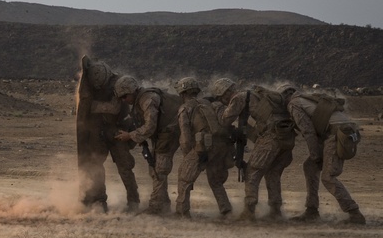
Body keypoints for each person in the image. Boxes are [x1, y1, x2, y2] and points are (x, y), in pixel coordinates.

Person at [284, 87, 366, 224]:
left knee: (328, 177)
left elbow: (308, 131)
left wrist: (315, 154)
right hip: (344, 131)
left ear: (286, 96)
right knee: (310, 167)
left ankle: (354, 213)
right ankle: (311, 210)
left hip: (336, 134)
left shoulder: (294, 104)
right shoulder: (308, 98)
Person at [217, 79, 295, 221]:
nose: (223, 100)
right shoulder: (259, 94)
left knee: (252, 172)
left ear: (227, 92)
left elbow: (225, 120)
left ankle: (249, 211)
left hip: (271, 137)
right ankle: (275, 210)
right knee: (273, 173)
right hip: (286, 136)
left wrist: (219, 109)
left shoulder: (239, 97)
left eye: (221, 97)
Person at [75, 56, 140, 213]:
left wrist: (91, 105)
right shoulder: (93, 85)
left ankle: (133, 202)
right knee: (94, 165)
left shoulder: (119, 83)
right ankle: (99, 200)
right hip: (101, 132)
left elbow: (114, 108)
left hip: (119, 131)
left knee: (125, 167)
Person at [114, 76, 181, 215]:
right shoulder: (140, 100)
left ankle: (157, 206)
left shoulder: (148, 99)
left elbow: (150, 126)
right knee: (155, 168)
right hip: (164, 133)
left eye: (124, 96)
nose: (124, 100)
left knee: (159, 169)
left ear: (132, 91)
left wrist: (130, 135)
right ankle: (163, 203)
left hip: (170, 132)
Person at [173, 77, 233, 218]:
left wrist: (188, 156)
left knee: (185, 178)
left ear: (182, 94)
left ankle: (182, 212)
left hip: (202, 148)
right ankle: (226, 209)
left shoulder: (184, 109)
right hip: (220, 146)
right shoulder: (209, 103)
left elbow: (186, 137)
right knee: (216, 181)